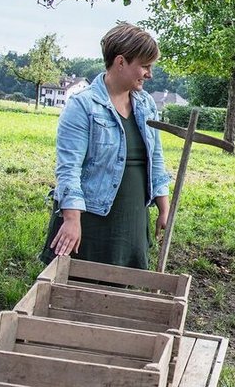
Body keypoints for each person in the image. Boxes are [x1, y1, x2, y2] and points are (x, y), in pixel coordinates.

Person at [43, 22, 171, 269]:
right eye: (144, 66)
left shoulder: (146, 105)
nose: (149, 73)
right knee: (76, 293)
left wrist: (163, 207)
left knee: (119, 297)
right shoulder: (83, 106)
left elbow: (155, 158)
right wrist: (71, 219)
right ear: (121, 62)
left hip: (132, 217)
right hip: (90, 220)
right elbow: (68, 168)